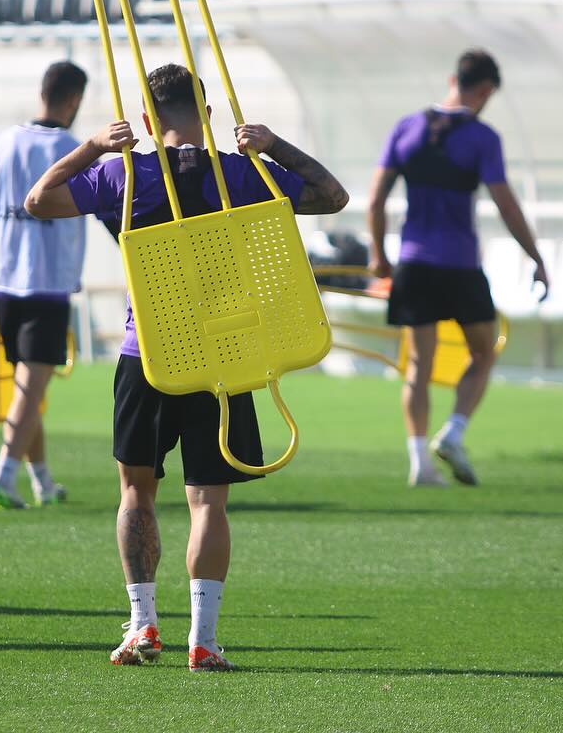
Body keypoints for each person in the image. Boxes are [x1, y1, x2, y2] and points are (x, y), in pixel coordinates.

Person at [26, 63, 348, 672]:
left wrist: (92, 143)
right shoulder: (241, 170)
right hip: (224, 356)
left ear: (147, 121)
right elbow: (333, 197)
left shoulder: (123, 171)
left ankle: (143, 626)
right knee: (209, 502)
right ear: (206, 115)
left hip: (145, 352)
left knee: (136, 492)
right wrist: (272, 144)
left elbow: (38, 200)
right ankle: (204, 639)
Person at [367, 49, 548, 488]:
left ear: (452, 79)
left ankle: (419, 463)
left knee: (418, 368)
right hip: (460, 264)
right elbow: (505, 203)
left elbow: (375, 199)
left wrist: (378, 254)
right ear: (485, 90)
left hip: (413, 261)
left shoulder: (406, 127)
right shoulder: (482, 138)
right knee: (484, 352)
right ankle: (454, 432)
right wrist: (536, 257)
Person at [0, 61, 89, 510]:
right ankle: (2, 477)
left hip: (1, 279)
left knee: (27, 386)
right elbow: (108, 213)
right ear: (74, 100)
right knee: (31, 387)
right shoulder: (72, 149)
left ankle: (42, 482)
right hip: (46, 281)